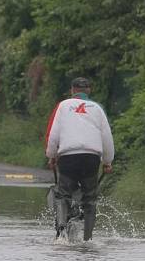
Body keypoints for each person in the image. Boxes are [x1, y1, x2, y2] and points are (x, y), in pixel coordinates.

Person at [45, 77, 114, 241]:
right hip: (91, 158)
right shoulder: (97, 108)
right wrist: (107, 161)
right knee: (90, 198)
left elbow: (54, 134)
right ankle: (88, 239)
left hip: (68, 157)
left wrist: (51, 156)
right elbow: (106, 137)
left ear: (72, 90)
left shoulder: (63, 105)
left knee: (63, 195)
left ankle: (61, 232)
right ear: (89, 90)